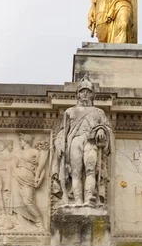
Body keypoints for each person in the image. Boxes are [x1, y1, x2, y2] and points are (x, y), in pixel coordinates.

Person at [52, 76, 112, 208]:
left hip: (91, 141)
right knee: (76, 172)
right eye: (82, 91)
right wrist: (59, 141)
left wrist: (102, 130)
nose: (85, 94)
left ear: (92, 95)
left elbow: (108, 128)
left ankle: (89, 198)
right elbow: (63, 131)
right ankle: (77, 200)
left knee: (91, 169)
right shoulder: (70, 112)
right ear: (77, 94)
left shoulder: (99, 112)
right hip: (75, 141)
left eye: (88, 92)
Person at [9, 133, 47, 228]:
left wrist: (40, 179)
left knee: (27, 202)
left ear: (26, 141)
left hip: (28, 179)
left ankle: (39, 219)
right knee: (17, 202)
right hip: (17, 178)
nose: (20, 143)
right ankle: (22, 224)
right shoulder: (18, 152)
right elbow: (13, 165)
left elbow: (42, 168)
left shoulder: (35, 152)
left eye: (21, 140)